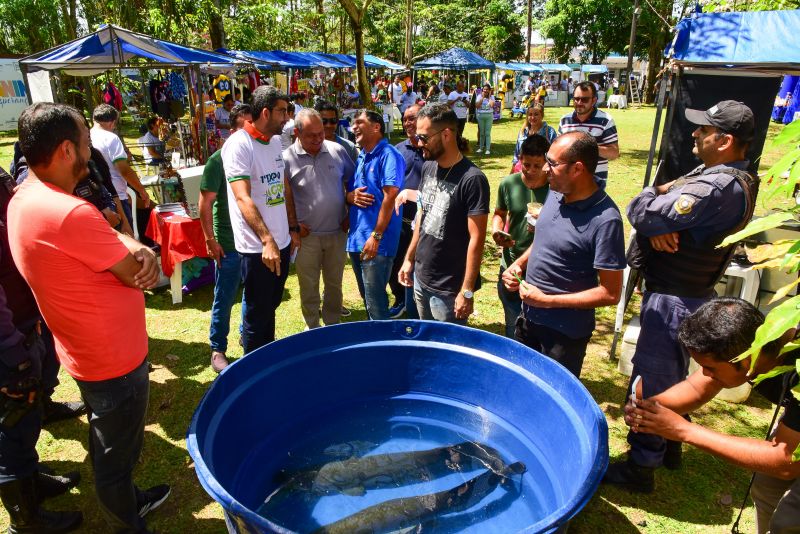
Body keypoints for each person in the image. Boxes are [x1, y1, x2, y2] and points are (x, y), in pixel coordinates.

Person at [8, 102, 170, 534]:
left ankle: (131, 501)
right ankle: (127, 524)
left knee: (116, 445)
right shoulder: (69, 212)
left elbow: (103, 230)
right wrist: (141, 254)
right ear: (65, 150)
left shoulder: (27, 194)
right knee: (115, 457)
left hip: (84, 352)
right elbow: (137, 271)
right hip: (112, 362)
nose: (89, 149)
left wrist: (127, 243)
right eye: (84, 141)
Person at [604, 100, 760, 491]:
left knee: (653, 379)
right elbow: (655, 212)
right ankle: (669, 445)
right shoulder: (720, 175)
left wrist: (653, 210)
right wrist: (659, 215)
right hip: (688, 292)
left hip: (675, 297)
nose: (695, 133)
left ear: (725, 141)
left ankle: (641, 465)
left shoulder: (716, 185)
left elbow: (638, 210)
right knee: (672, 375)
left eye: (704, 130)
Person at [618, 298, 799, 532]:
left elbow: (785, 460)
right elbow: (697, 387)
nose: (705, 373)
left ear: (746, 360)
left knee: (789, 519)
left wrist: (684, 430)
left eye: (710, 367)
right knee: (766, 489)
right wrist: (652, 408)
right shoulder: (755, 341)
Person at [0, 165, 83, 532]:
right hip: (7, 340)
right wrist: (12, 353)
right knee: (12, 430)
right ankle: (27, 520)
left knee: (29, 417)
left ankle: (31, 480)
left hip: (23, 322)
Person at [502, 132, 625, 378]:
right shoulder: (557, 194)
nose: (546, 169)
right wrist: (519, 263)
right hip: (529, 320)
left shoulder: (606, 220)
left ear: (578, 168)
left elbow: (610, 293)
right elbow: (544, 239)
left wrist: (547, 300)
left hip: (563, 335)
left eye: (553, 163)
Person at [223, 86, 300, 354]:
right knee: (257, 316)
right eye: (282, 111)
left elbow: (282, 186)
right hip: (258, 249)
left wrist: (291, 228)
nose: (287, 118)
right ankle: (254, 370)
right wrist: (267, 240)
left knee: (271, 307)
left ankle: (267, 360)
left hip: (281, 243)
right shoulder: (238, 144)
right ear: (265, 112)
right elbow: (242, 198)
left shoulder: (276, 142)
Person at [398, 103, 489, 324]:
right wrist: (409, 259)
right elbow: (422, 217)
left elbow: (477, 240)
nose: (419, 143)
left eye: (424, 137)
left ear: (447, 134)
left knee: (448, 350)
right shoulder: (429, 167)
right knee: (427, 342)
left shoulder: (472, 179)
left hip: (449, 289)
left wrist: (466, 290)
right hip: (421, 277)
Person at [284, 109, 354, 329]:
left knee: (334, 284)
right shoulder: (286, 159)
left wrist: (349, 214)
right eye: (311, 135)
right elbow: (284, 197)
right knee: (309, 285)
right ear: (297, 132)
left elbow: (353, 183)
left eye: (320, 133)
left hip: (337, 232)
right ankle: (312, 327)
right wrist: (293, 226)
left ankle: (332, 324)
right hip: (307, 237)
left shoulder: (337, 151)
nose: (317, 139)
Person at [200, 103, 252, 373]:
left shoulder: (255, 155)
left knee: (250, 294)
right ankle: (217, 348)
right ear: (231, 130)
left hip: (251, 243)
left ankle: (246, 334)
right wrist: (210, 239)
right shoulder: (217, 159)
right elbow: (205, 203)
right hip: (229, 244)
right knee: (225, 296)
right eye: (242, 128)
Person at [346, 109, 404, 320]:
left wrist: (376, 235)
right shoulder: (362, 155)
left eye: (359, 122)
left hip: (377, 242)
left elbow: (390, 196)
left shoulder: (389, 155)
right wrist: (349, 196)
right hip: (356, 239)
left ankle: (383, 347)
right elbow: (356, 192)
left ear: (376, 126)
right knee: (368, 300)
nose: (354, 127)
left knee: (376, 303)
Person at [492, 134, 550, 338]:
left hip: (541, 269)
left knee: (538, 328)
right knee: (514, 324)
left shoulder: (556, 189)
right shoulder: (509, 183)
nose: (531, 171)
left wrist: (543, 225)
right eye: (527, 164)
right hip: (510, 266)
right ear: (520, 159)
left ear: (547, 162)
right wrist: (497, 232)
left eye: (538, 165)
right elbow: (499, 214)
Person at [90, 104, 151, 232]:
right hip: (117, 195)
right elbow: (124, 170)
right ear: (112, 123)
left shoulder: (87, 137)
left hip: (99, 196)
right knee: (127, 234)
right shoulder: (111, 138)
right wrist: (142, 191)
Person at [389, 104, 424, 320]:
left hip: (425, 220)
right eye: (405, 119)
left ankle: (417, 303)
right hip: (401, 220)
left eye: (412, 118)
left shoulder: (431, 149)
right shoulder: (398, 150)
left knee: (420, 264)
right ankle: (400, 298)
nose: (407, 123)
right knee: (397, 262)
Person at [558, 81, 619, 187]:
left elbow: (614, 153)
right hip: (567, 181)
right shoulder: (565, 120)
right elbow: (558, 150)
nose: (579, 102)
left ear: (594, 100)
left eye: (584, 99)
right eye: (576, 99)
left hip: (594, 183)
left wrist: (586, 147)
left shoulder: (605, 120)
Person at [510, 103, 557, 174]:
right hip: (523, 171)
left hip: (542, 172)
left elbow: (555, 154)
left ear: (542, 115)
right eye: (530, 114)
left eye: (536, 114)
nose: (532, 117)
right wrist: (512, 172)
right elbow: (517, 155)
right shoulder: (523, 132)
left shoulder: (550, 132)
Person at [315, 100, 358, 164]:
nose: (328, 125)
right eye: (324, 121)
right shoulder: (308, 147)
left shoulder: (349, 147)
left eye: (333, 120)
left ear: (337, 121)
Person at [475, 84, 495, 155]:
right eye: (484, 89)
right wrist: (482, 98)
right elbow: (477, 106)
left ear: (489, 90)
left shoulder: (492, 97)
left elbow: (492, 105)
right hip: (481, 116)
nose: (485, 90)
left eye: (487, 89)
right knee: (482, 133)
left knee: (487, 133)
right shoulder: (479, 96)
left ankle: (487, 149)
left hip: (489, 116)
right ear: (482, 90)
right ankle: (480, 148)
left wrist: (489, 97)